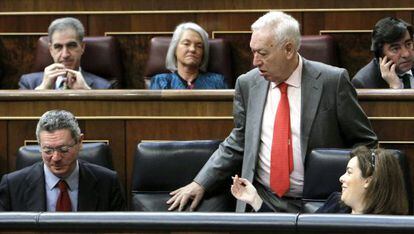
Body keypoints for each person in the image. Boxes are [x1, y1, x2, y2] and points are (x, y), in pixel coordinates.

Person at [166, 11, 377, 213]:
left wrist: (353, 191)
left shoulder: (332, 81)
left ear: (288, 49)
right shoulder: (248, 83)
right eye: (253, 51)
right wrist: (200, 182)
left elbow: (365, 143)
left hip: (320, 201)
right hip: (260, 199)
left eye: (262, 53)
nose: (255, 61)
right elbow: (239, 140)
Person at [0, 110, 126, 211]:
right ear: (39, 146)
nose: (55, 158)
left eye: (64, 149)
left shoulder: (107, 183)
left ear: (80, 142)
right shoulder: (12, 186)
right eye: (48, 150)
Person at [231, 146, 408, 215]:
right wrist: (255, 199)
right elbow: (293, 230)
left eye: (348, 172)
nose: (341, 178)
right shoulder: (335, 204)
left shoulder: (392, 226)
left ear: (368, 181)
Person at [19, 17, 111, 90]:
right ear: (51, 50)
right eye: (58, 47)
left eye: (71, 46)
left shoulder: (103, 86)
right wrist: (41, 92)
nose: (65, 55)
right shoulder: (29, 83)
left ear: (82, 47)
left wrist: (87, 94)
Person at [149, 22, 228, 89]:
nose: (192, 49)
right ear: (175, 49)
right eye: (186, 44)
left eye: (199, 46)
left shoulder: (217, 82)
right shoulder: (161, 82)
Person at [352, 17, 414, 89]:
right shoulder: (364, 83)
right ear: (380, 54)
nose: (406, 54)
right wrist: (396, 89)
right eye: (395, 49)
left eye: (408, 44)